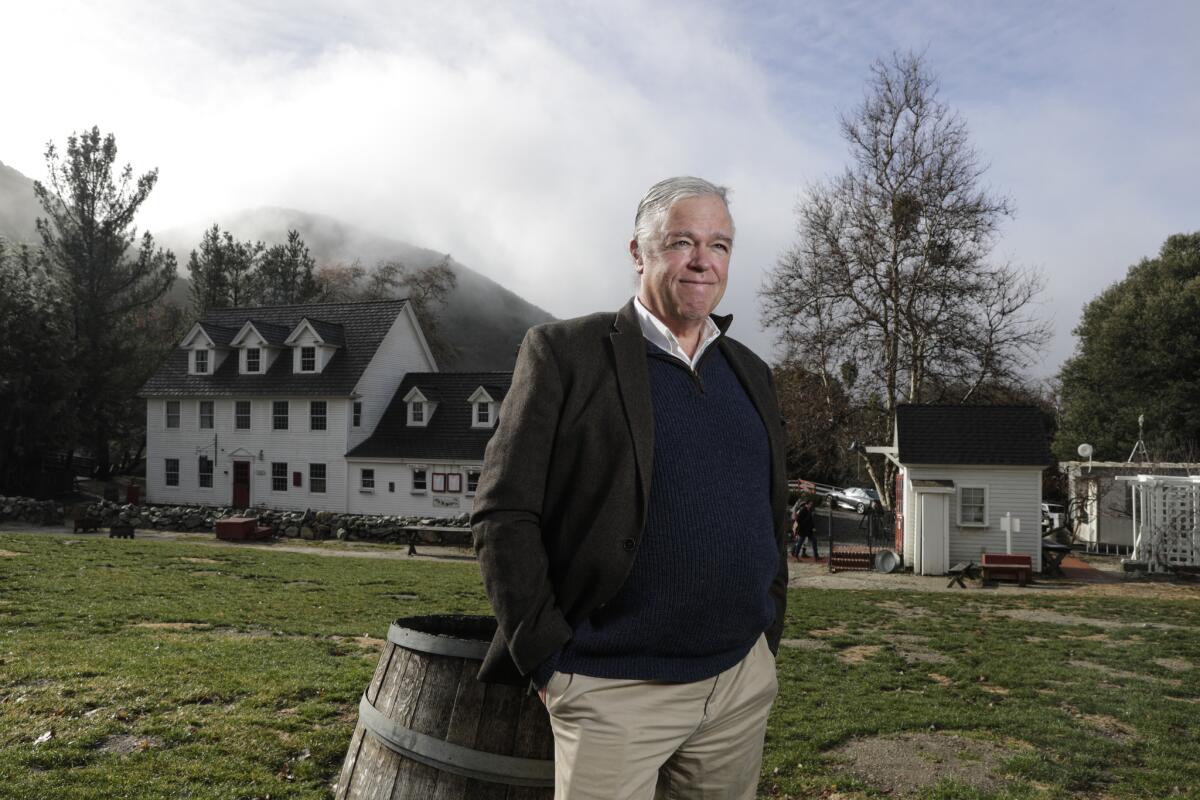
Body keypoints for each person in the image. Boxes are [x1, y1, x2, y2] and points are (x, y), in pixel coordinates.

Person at [472, 176, 789, 800]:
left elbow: (771, 514)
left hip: (738, 685)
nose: (704, 260)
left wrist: (765, 638)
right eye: (682, 242)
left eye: (720, 245)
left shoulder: (750, 372)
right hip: (612, 689)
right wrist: (548, 660)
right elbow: (503, 511)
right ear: (638, 252)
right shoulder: (566, 353)